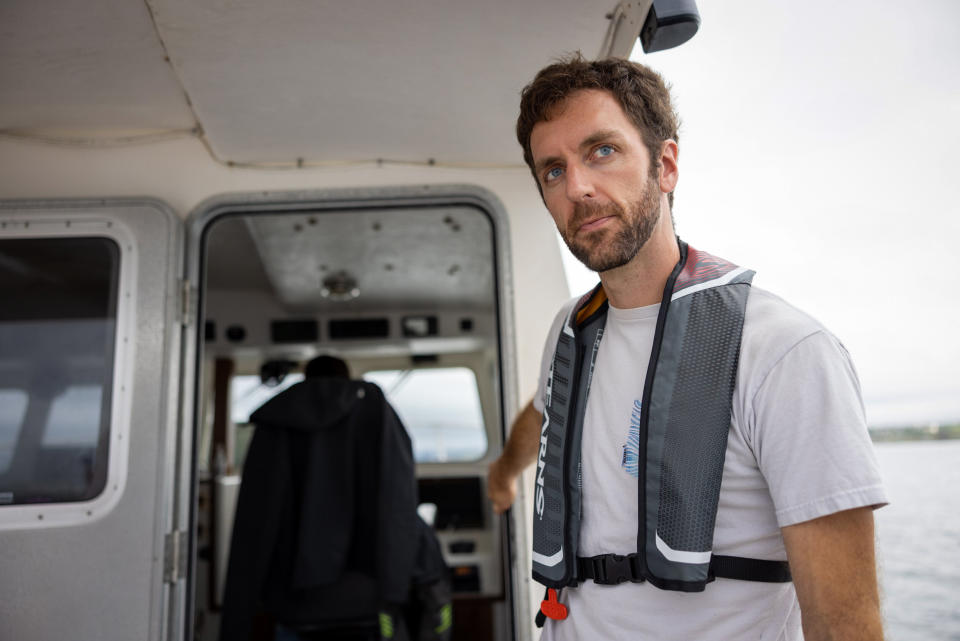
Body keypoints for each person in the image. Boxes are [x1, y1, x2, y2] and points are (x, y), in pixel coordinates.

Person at [487, 55, 887, 640]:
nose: (578, 187)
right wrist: (503, 473)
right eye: (553, 170)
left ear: (666, 165)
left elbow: (845, 623)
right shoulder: (571, 330)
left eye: (603, 151)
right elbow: (546, 413)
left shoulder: (783, 349)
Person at [220, 355, 451, 641]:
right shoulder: (378, 414)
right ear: (347, 377)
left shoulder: (277, 420)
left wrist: (236, 620)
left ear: (306, 381)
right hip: (368, 599)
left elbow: (256, 520)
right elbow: (398, 506)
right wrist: (397, 587)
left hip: (295, 603)